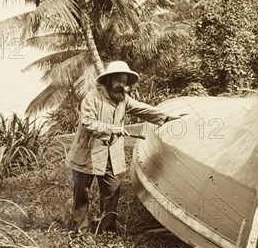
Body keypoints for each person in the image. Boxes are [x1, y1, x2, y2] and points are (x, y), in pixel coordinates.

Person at [67, 61, 182, 234]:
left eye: (125, 81)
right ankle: (79, 233)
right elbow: (87, 123)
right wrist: (113, 128)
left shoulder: (123, 99)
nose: (122, 85)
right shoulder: (92, 98)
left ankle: (107, 232)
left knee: (112, 191)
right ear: (108, 81)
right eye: (118, 80)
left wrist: (167, 117)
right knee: (81, 194)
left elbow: (144, 110)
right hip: (87, 153)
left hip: (111, 155)